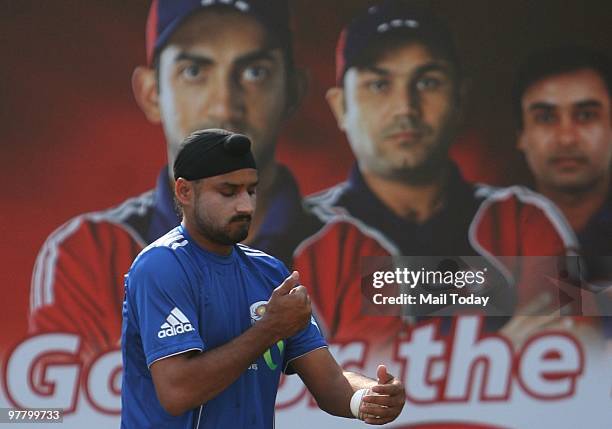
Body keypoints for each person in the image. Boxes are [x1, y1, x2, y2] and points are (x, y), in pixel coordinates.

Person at [292, 0, 586, 353]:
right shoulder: (297, 237)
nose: (406, 107)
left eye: (428, 81)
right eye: (379, 85)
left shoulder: (524, 221)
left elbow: (573, 349)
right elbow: (283, 385)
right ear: (341, 106)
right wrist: (498, 351)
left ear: (460, 97)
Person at [30, 0, 309, 362]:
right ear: (150, 93)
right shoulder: (89, 253)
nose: (224, 106)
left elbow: (379, 405)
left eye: (255, 71)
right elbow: (66, 413)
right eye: (194, 71)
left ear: (293, 91)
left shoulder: (359, 250)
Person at [120, 129, 405, 428]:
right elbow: (177, 392)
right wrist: (269, 329)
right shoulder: (161, 266)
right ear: (184, 192)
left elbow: (330, 383)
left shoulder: (270, 273)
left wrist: (369, 397)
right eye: (228, 192)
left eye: (251, 190)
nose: (245, 206)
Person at [514, 46, 612, 336]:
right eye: (546, 118)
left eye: (585, 115)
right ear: (521, 135)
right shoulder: (483, 241)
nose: (566, 138)